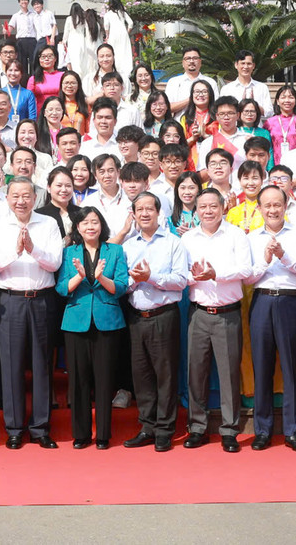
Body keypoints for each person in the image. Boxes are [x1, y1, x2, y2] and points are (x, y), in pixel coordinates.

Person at [0, 176, 64, 448]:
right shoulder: (0, 226)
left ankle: (41, 428)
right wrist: (17, 251)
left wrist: (33, 249)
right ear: (8, 199)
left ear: (35, 198)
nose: (21, 201)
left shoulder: (49, 223)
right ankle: (15, 428)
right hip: (11, 300)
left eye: (26, 196)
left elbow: (54, 263)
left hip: (42, 300)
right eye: (15, 196)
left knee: (42, 364)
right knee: (11, 364)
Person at [245, 185, 296, 452]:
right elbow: (248, 277)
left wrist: (283, 257)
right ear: (260, 208)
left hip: (291, 302)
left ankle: (293, 431)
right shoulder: (251, 238)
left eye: (277, 204)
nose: (273, 210)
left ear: (285, 206)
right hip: (262, 300)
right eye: (267, 205)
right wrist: (265, 259)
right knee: (262, 367)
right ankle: (262, 431)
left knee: (291, 367)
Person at [180, 188, 250, 452]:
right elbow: (180, 273)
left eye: (213, 206)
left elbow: (245, 269)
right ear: (195, 210)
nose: (208, 211)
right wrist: (194, 277)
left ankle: (229, 429)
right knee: (195, 372)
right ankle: (197, 427)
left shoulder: (236, 235)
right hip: (198, 312)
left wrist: (215, 274)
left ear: (223, 207)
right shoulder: (188, 239)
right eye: (203, 207)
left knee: (229, 374)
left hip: (227, 313)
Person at [121, 193, 188, 452]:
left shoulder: (174, 243)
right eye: (140, 209)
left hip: (164, 316)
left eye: (150, 208)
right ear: (134, 214)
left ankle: (165, 429)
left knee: (165, 374)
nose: (145, 213)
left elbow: (180, 280)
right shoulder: (128, 246)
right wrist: (135, 281)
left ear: (159, 212)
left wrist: (151, 277)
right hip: (137, 317)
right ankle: (147, 426)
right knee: (142, 375)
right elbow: (121, 284)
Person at [57, 206, 128, 449]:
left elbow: (120, 287)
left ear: (102, 225)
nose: (90, 226)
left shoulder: (115, 251)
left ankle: (104, 435)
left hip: (107, 321)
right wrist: (80, 276)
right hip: (76, 322)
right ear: (77, 227)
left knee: (104, 379)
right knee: (78, 380)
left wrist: (99, 277)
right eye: (85, 222)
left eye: (95, 222)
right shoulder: (69, 253)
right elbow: (61, 289)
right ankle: (81, 434)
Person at [164, 47, 216, 116]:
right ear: (183, 63)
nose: (191, 61)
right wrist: (191, 99)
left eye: (195, 58)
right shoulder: (173, 82)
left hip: (206, 125)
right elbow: (167, 108)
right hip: (179, 125)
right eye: (188, 58)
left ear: (200, 62)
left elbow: (216, 107)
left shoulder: (211, 82)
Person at [63, 2, 102, 75]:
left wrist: (64, 41)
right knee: (82, 58)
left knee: (74, 58)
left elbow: (66, 32)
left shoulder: (69, 19)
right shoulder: (83, 19)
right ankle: (83, 74)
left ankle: (77, 73)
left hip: (72, 39)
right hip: (81, 39)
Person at [9, 0, 38, 72]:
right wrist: (6, 30)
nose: (24, 2)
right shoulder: (16, 15)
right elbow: (11, 27)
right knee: (21, 62)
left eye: (25, 0)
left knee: (34, 61)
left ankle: (33, 79)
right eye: (22, 0)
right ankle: (23, 80)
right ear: (19, 3)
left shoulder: (34, 14)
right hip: (21, 40)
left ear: (28, 2)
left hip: (32, 40)